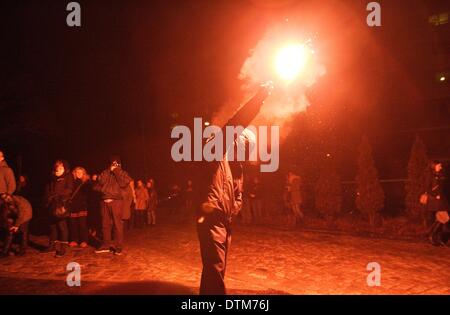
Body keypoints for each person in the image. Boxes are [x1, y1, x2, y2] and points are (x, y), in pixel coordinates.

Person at [197, 83, 271, 295]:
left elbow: (237, 195)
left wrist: (234, 209)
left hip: (224, 221)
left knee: (215, 269)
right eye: (246, 145)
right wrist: (259, 98)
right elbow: (235, 124)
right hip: (211, 218)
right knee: (215, 268)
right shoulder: (214, 152)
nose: (248, 151)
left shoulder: (236, 167)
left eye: (250, 147)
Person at [94, 156, 132, 255]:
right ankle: (106, 245)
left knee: (117, 224)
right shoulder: (105, 172)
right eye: (112, 163)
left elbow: (124, 183)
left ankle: (118, 246)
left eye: (116, 163)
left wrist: (117, 171)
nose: (114, 165)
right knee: (105, 225)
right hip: (104, 202)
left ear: (119, 164)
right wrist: (108, 171)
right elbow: (100, 181)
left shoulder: (122, 173)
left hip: (116, 202)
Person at [43, 160, 74, 257]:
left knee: (62, 226)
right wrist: (48, 196)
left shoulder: (68, 176)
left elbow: (69, 189)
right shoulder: (52, 177)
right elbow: (47, 189)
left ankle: (63, 248)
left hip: (61, 204)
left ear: (64, 168)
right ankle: (52, 245)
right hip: (52, 204)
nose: (58, 169)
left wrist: (57, 194)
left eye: (61, 167)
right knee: (52, 225)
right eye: (57, 167)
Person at [421, 161, 449, 246]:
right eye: (439, 165)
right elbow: (427, 188)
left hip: (441, 201)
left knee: (441, 220)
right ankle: (434, 237)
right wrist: (435, 195)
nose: (441, 167)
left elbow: (442, 187)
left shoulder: (440, 175)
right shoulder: (430, 176)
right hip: (435, 201)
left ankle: (433, 236)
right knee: (445, 219)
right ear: (434, 166)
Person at [0, 193, 32, 258]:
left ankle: (22, 251)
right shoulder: (5, 202)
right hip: (14, 214)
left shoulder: (19, 202)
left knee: (23, 232)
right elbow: (5, 214)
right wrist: (9, 225)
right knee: (10, 232)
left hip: (25, 215)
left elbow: (21, 215)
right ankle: (5, 252)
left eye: (6, 197)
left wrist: (17, 226)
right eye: (3, 198)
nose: (5, 199)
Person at [68, 167, 90, 248]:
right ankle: (74, 240)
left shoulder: (86, 183)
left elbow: (89, 195)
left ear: (84, 174)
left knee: (82, 225)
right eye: (77, 172)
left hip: (82, 206)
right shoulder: (71, 182)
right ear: (74, 173)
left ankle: (84, 240)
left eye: (81, 172)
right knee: (73, 224)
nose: (79, 174)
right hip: (73, 206)